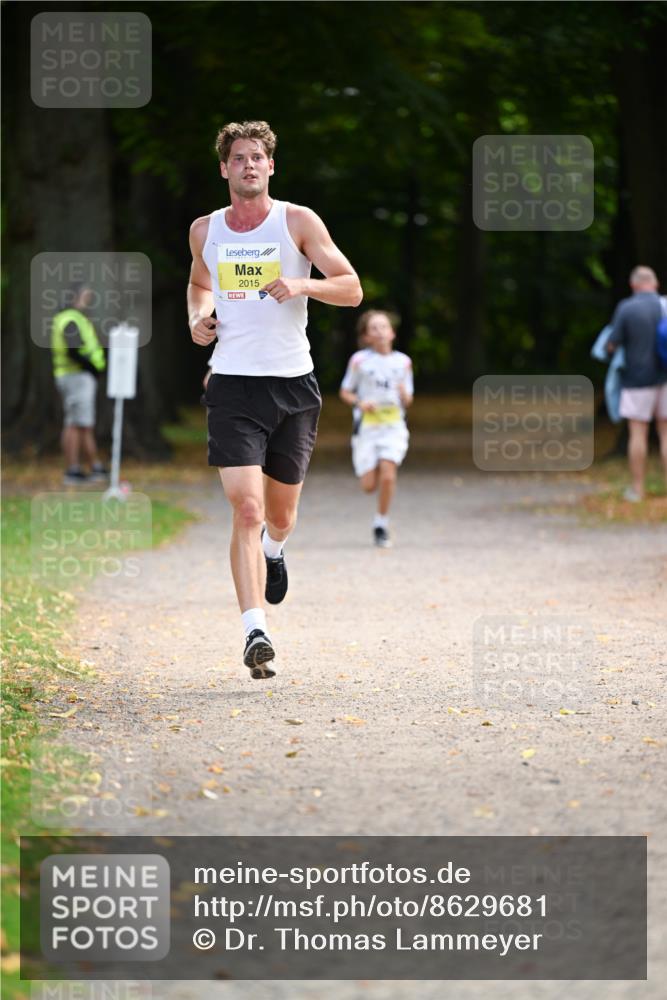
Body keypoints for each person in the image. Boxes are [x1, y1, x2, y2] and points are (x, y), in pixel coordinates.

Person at [187, 120, 362, 679]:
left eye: (257, 157)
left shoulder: (297, 222)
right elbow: (199, 282)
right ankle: (254, 629)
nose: (248, 166)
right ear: (224, 168)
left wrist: (304, 284)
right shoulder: (205, 230)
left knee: (280, 516)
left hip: (293, 385)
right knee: (247, 508)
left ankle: (276, 551)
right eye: (238, 158)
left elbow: (352, 287)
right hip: (233, 383)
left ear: (270, 166)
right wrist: (198, 316)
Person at [339, 310, 413, 547]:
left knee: (389, 473)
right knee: (369, 486)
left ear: (392, 332)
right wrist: (361, 403)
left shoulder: (403, 362)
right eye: (374, 328)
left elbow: (408, 399)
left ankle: (381, 524)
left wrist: (404, 395)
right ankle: (378, 465)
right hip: (367, 428)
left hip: (393, 426)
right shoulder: (359, 361)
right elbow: (345, 392)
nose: (380, 331)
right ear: (367, 336)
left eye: (384, 327)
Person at [607, 266, 667, 501]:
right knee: (665, 434)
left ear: (633, 285)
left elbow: (612, 344)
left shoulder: (627, 308)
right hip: (665, 377)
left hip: (637, 380)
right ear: (655, 283)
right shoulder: (664, 306)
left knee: (638, 434)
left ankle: (638, 489)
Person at [51, 284, 108, 485]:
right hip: (77, 376)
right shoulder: (71, 319)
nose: (88, 300)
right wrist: (92, 367)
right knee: (79, 423)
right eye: (85, 296)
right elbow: (73, 349)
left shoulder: (67, 318)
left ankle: (86, 466)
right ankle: (78, 468)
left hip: (71, 375)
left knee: (76, 422)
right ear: (74, 296)